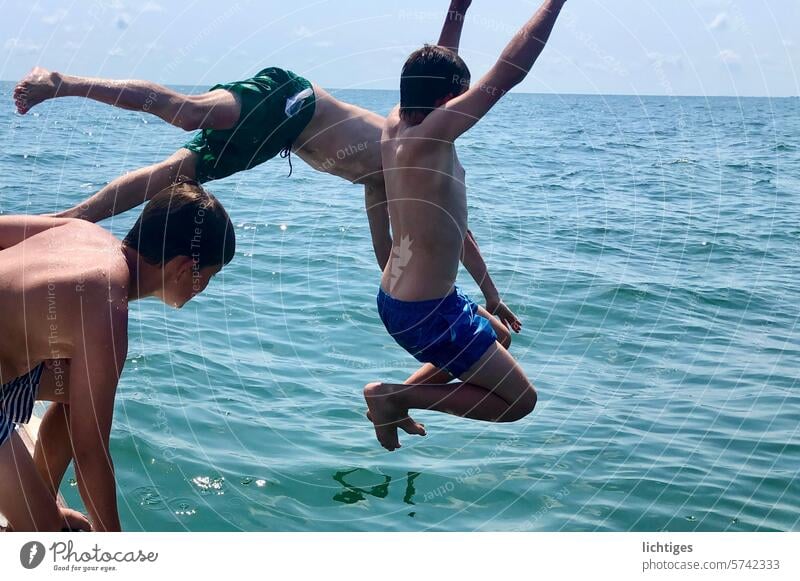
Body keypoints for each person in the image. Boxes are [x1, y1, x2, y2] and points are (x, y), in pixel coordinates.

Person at [365, 0, 568, 451]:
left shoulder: (398, 122)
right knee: (520, 401)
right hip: (426, 313)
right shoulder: (430, 138)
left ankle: (396, 399)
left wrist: (458, 8)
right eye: (458, 96)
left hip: (406, 298)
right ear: (444, 104)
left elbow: (439, 65)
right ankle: (391, 397)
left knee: (497, 336)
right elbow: (507, 73)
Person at [0, 181, 235, 531]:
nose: (205, 288)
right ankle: (33, 519)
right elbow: (90, 451)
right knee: (46, 543)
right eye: (209, 276)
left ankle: (39, 499)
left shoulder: (82, 232)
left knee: (72, 382)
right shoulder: (108, 308)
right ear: (185, 267)